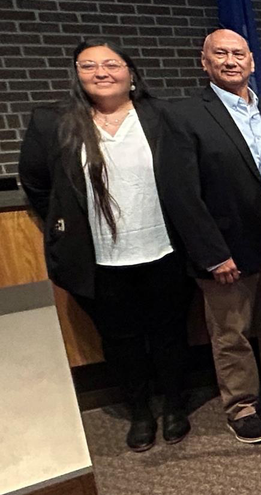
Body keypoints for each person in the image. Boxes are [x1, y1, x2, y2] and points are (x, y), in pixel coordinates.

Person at [18, 39, 192, 452]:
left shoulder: (163, 115)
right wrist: (67, 224)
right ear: (77, 74)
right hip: (99, 259)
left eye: (111, 64)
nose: (101, 72)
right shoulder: (53, 121)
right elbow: (37, 183)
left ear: (130, 73)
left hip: (164, 249)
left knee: (170, 332)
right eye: (88, 65)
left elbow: (187, 174)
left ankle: (175, 405)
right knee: (120, 339)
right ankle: (140, 411)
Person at [162, 30, 261, 446]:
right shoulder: (185, 115)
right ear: (205, 62)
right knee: (230, 330)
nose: (230, 61)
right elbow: (181, 193)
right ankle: (242, 405)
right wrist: (212, 254)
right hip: (226, 243)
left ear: (252, 62)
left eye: (238, 54)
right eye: (220, 54)